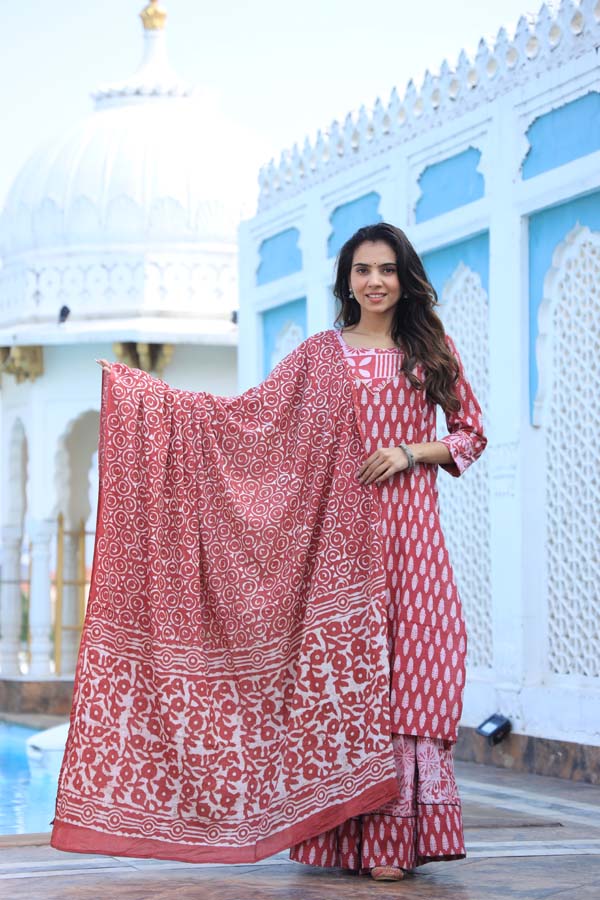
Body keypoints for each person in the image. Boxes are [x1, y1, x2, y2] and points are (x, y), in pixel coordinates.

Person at [69, 222, 485, 881]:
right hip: (336, 548)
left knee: (418, 672)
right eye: (361, 270)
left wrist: (409, 452)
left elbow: (468, 436)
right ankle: (349, 842)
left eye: (386, 269)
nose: (374, 281)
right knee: (356, 686)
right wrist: (145, 398)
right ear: (346, 281)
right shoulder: (321, 355)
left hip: (413, 536)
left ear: (405, 277)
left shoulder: (429, 350)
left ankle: (395, 840)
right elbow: (248, 419)